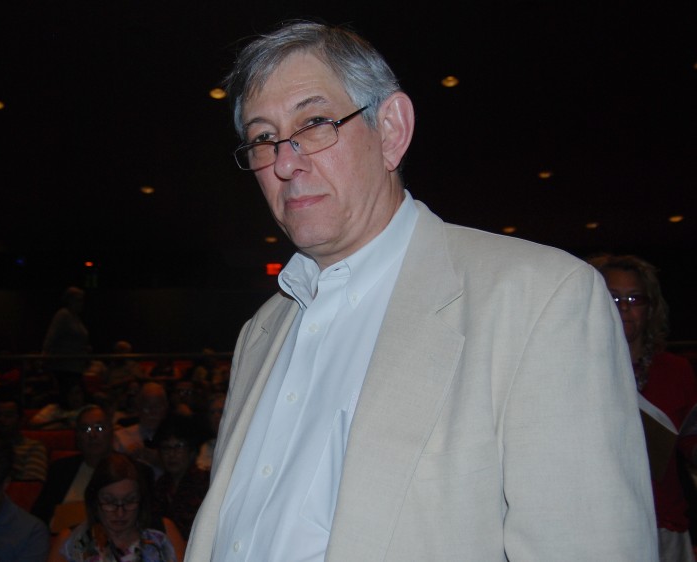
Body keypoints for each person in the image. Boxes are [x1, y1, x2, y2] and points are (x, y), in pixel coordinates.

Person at [183, 20, 657, 561]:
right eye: (263, 138)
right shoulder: (262, 330)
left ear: (391, 130)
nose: (285, 163)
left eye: (314, 123)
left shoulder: (539, 299)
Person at [589, 253, 697, 561]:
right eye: (613, 298)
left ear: (650, 309)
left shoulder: (675, 370)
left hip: (664, 523)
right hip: (598, 522)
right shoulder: (577, 367)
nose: (624, 308)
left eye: (635, 299)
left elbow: (690, 439)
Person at [47, 452, 185, 562]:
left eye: (129, 501)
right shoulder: (71, 541)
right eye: (109, 502)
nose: (120, 513)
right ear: (95, 501)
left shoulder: (164, 532)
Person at [31, 405, 119, 531]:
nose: (92, 435)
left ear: (111, 432)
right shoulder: (60, 470)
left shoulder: (131, 469)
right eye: (85, 429)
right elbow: (40, 515)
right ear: (77, 436)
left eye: (99, 428)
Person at [152, 415, 211, 539]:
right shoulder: (159, 486)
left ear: (192, 450)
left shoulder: (205, 483)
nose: (172, 454)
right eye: (166, 448)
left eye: (178, 446)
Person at [42, 286, 91, 399]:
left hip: (76, 365)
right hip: (64, 365)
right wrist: (45, 356)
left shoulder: (76, 318)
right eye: (78, 300)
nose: (81, 303)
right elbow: (51, 336)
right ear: (70, 300)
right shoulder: (63, 315)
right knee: (70, 396)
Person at [114, 382, 169, 476]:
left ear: (165, 408)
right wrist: (127, 459)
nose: (152, 412)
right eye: (147, 407)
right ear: (138, 408)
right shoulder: (121, 437)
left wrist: (160, 461)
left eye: (157, 407)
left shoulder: (175, 437)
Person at [0, 396, 48, 481]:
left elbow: (32, 484)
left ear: (20, 419)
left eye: (8, 415)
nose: (1, 419)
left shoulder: (34, 447)